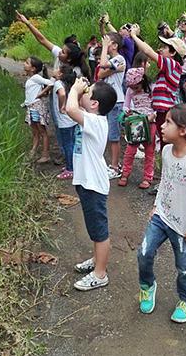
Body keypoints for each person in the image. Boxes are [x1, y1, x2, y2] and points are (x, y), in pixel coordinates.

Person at [137, 103, 186, 323]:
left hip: (182, 225)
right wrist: (157, 206)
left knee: (184, 266)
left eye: (168, 122)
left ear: (183, 130)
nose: (162, 125)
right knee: (144, 252)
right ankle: (147, 286)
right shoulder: (167, 151)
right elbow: (166, 181)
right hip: (162, 217)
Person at [65, 78, 118, 291]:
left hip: (93, 185)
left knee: (99, 230)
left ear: (95, 103)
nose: (83, 93)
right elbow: (69, 106)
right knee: (93, 227)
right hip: (86, 182)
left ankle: (100, 273)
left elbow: (70, 108)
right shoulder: (90, 118)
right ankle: (97, 259)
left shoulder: (96, 122)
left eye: (88, 92)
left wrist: (76, 89)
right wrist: (79, 91)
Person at [129, 24, 184, 152]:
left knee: (167, 142)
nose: (160, 50)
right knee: (164, 140)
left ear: (173, 52)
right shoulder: (169, 68)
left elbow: (148, 51)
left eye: (164, 48)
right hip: (161, 111)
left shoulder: (171, 64)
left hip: (166, 111)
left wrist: (134, 36)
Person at [118, 65, 156, 190]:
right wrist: (127, 111)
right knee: (130, 150)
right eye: (132, 88)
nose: (135, 90)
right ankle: (125, 174)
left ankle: (147, 177)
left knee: (149, 151)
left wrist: (152, 116)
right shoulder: (130, 91)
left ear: (143, 82)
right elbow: (126, 105)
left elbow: (157, 107)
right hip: (135, 123)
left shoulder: (151, 88)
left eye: (137, 87)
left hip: (149, 122)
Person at [96, 33, 126, 179]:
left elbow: (102, 66)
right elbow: (100, 74)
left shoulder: (119, 59)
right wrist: (111, 69)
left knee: (114, 137)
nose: (104, 45)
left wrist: (104, 51)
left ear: (114, 45)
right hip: (108, 100)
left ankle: (115, 167)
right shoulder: (113, 60)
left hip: (116, 101)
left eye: (108, 42)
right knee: (108, 135)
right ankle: (113, 164)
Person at [22, 57, 53, 164]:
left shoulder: (36, 77)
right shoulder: (31, 78)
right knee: (35, 131)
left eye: (27, 63)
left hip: (37, 107)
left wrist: (42, 93)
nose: (24, 64)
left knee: (42, 131)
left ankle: (45, 154)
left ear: (33, 68)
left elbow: (50, 83)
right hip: (31, 107)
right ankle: (33, 151)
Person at [51, 65, 78, 180]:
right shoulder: (69, 84)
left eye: (58, 69)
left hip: (64, 121)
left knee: (67, 145)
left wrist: (61, 106)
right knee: (73, 143)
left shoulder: (59, 84)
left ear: (61, 74)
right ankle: (72, 165)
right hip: (71, 119)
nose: (55, 70)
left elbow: (61, 94)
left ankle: (70, 169)